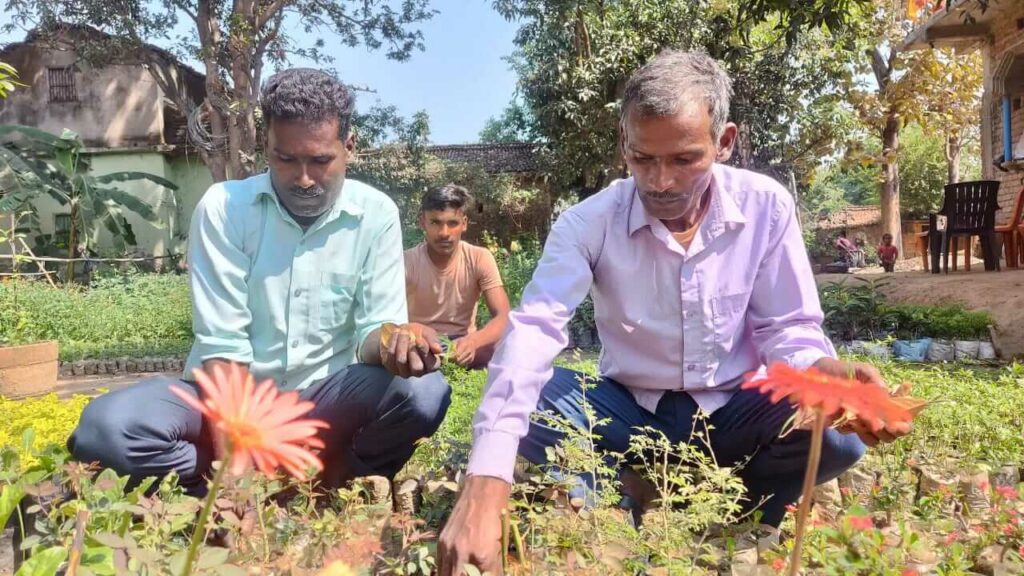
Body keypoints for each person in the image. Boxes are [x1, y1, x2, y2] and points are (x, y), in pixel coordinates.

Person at [437, 49, 909, 575]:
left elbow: (787, 328)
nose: (660, 181)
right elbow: (534, 330)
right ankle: (627, 489)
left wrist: (825, 374)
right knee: (531, 390)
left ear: (723, 142)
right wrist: (485, 483)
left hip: (734, 409)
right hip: (628, 410)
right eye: (643, 159)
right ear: (624, 145)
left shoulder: (765, 207)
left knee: (838, 433)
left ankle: (738, 503)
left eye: (684, 159)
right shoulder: (586, 224)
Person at [67, 68, 451, 494]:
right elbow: (224, 348)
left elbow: (370, 335)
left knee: (422, 395)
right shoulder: (225, 209)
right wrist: (237, 484)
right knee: (107, 430)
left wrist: (396, 340)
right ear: (265, 145)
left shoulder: (375, 214)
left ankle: (333, 484)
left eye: (320, 160)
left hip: (322, 403)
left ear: (349, 147)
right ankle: (215, 485)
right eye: (285, 159)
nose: (303, 178)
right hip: (222, 406)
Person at [405, 184, 511, 368]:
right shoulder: (406, 262)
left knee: (512, 343)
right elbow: (385, 318)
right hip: (421, 344)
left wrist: (474, 341)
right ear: (423, 222)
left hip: (465, 344)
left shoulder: (479, 257)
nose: (444, 233)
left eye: (452, 223)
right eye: (435, 222)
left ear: (464, 223)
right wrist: (415, 333)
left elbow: (504, 316)